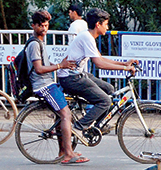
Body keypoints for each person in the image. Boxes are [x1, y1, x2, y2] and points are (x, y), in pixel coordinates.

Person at [57, 8, 138, 143]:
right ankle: (79, 127)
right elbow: (99, 63)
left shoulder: (88, 36)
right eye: (106, 24)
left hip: (78, 74)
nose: (108, 27)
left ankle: (98, 126)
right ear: (98, 25)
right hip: (71, 78)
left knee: (110, 89)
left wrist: (124, 63)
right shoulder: (86, 37)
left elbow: (101, 58)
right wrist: (125, 68)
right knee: (105, 100)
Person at [26, 10, 85, 164]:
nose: (44, 29)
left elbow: (45, 64)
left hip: (48, 82)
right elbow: (39, 69)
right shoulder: (34, 44)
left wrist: (63, 66)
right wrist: (60, 65)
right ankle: (69, 154)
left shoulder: (40, 41)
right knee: (66, 115)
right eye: (41, 26)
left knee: (62, 115)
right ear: (33, 26)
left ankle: (62, 151)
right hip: (43, 85)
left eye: (46, 25)